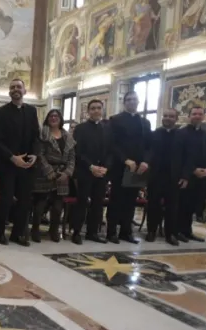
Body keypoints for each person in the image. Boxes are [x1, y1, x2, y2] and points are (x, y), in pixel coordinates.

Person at [0, 79, 40, 246]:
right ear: (9, 92)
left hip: (27, 165)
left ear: (24, 91)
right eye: (12, 87)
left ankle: (17, 234)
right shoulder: (1, 112)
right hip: (8, 164)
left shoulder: (32, 111)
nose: (15, 90)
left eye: (18, 87)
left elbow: (36, 137)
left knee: (24, 201)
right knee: (5, 200)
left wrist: (34, 154)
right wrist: (12, 158)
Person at [107, 91, 152, 244]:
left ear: (138, 102)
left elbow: (149, 146)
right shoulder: (115, 120)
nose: (132, 102)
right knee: (116, 200)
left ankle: (126, 232)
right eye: (129, 99)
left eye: (134, 99)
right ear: (124, 102)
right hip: (121, 167)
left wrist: (146, 161)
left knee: (130, 201)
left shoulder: (145, 122)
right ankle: (111, 232)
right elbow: (112, 144)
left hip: (138, 168)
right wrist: (125, 159)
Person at [71, 100, 112, 244]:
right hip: (85, 171)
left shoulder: (107, 128)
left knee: (98, 203)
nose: (96, 111)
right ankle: (76, 232)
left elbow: (110, 151)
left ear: (102, 110)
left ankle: (92, 232)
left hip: (102, 172)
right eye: (93, 108)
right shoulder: (81, 128)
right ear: (88, 111)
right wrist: (91, 167)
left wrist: (106, 167)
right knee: (82, 202)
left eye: (98, 108)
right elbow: (78, 152)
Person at [31, 108, 75, 243]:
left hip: (62, 174)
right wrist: (48, 170)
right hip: (45, 173)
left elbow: (72, 157)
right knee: (40, 204)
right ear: (47, 118)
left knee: (57, 206)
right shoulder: (42, 133)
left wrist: (67, 172)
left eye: (56, 116)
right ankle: (35, 229)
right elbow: (40, 154)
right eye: (51, 116)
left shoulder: (67, 136)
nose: (53, 118)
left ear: (60, 119)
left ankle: (54, 230)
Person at [174, 105, 206, 243]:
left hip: (201, 177)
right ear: (189, 116)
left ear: (203, 116)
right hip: (186, 177)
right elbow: (179, 157)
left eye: (200, 114)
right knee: (182, 205)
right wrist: (192, 171)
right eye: (194, 114)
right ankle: (178, 231)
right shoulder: (181, 133)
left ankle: (187, 231)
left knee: (192, 206)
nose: (197, 116)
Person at [146, 108, 181, 246]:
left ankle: (170, 233)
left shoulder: (181, 136)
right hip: (155, 175)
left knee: (172, 206)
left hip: (174, 177)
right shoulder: (154, 134)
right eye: (165, 115)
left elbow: (187, 157)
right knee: (153, 205)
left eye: (171, 116)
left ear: (176, 118)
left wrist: (184, 176)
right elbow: (148, 152)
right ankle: (151, 231)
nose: (168, 118)